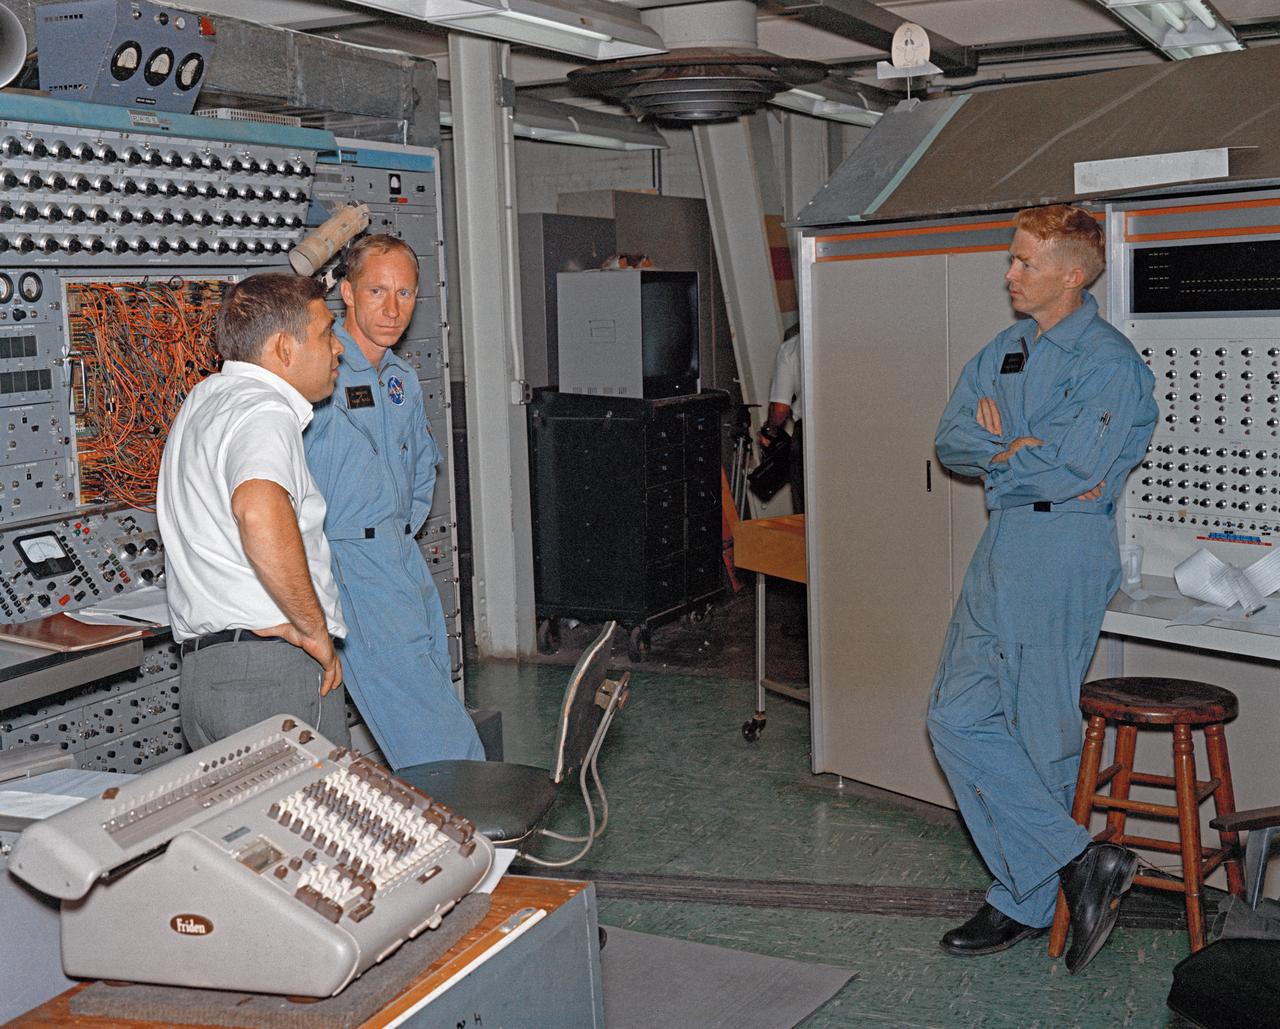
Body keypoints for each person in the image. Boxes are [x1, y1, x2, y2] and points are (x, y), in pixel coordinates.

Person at [926, 205, 1158, 974]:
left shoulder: (1109, 363)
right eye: (1012, 259)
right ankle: (1076, 860)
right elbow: (953, 437)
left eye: (1025, 262)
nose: (1010, 274)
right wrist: (1007, 445)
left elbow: (1071, 467)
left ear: (1073, 273)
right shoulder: (1006, 349)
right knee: (954, 715)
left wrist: (1010, 450)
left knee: (1038, 728)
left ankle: (1022, 898)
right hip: (1004, 543)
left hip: (1063, 545)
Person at [304, 234, 484, 769]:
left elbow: (423, 464)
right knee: (433, 732)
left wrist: (397, 530)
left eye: (405, 294)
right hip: (352, 563)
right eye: (377, 291)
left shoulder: (400, 377)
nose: (391, 308)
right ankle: (477, 834)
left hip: (400, 555)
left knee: (436, 687)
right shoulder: (321, 372)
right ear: (347, 293)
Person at [158, 273, 350, 749]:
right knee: (319, 821)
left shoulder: (203, 401)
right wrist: (314, 631)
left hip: (207, 677)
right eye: (326, 332)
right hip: (270, 672)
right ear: (285, 349)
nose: (338, 348)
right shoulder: (264, 411)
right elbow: (260, 513)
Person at [757, 323, 804, 512]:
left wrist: (770, 430)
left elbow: (780, 408)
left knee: (807, 510)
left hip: (810, 435)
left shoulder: (792, 347)